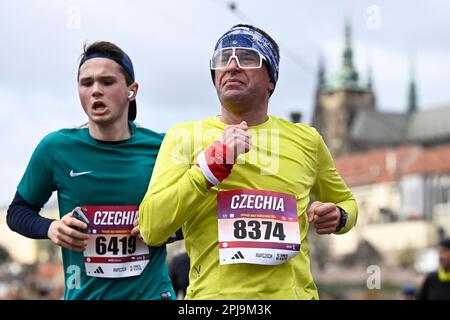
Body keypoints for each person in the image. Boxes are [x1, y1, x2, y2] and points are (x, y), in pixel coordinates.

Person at [139, 24, 357, 299]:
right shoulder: (184, 136)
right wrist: (206, 171)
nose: (231, 65)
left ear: (271, 80)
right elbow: (151, 228)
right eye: (222, 59)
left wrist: (340, 217)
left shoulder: (307, 140)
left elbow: (347, 202)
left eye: (247, 57)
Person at [7, 41, 175, 300]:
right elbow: (17, 212)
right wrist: (52, 229)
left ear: (132, 91)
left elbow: (198, 214)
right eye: (87, 83)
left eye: (107, 82)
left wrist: (164, 228)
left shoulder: (163, 147)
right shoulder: (56, 148)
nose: (96, 90)